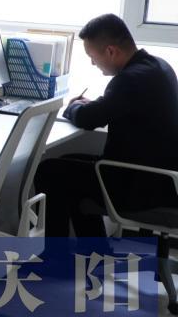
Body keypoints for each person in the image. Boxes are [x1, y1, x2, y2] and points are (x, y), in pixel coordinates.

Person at [34, 14, 178, 238]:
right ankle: (94, 252)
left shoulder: (129, 80)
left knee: (49, 171)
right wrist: (95, 106)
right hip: (163, 181)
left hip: (140, 187)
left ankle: (56, 256)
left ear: (111, 51)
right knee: (68, 165)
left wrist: (72, 107)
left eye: (92, 56)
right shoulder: (158, 67)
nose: (93, 63)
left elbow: (87, 119)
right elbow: (117, 106)